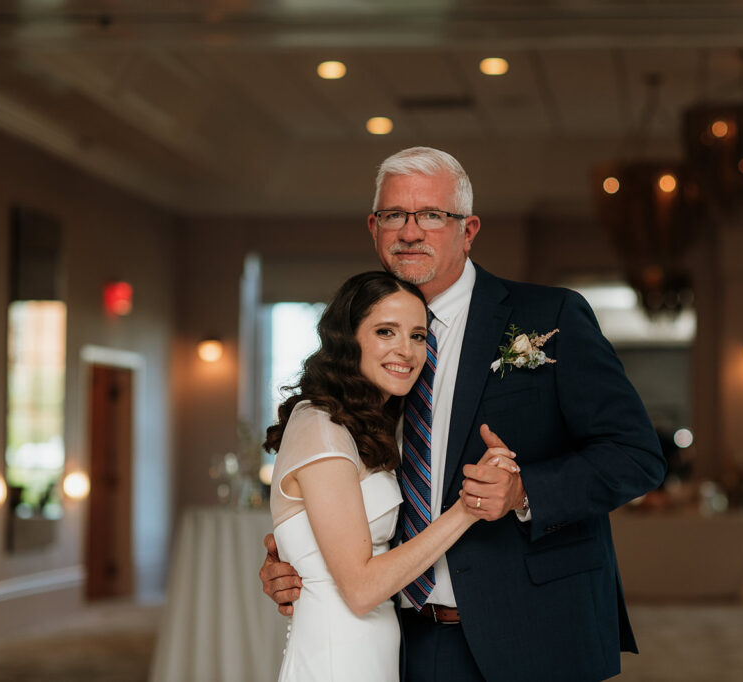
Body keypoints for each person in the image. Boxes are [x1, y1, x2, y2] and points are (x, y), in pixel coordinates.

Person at [260, 147, 666, 682]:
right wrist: (297, 556)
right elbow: (340, 484)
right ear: (373, 228)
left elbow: (636, 457)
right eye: (393, 216)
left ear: (468, 229)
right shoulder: (367, 352)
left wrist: (525, 492)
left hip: (538, 631)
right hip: (407, 637)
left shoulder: (551, 316)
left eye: (431, 215)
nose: (410, 232)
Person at [264, 270, 517, 681]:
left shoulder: (364, 426)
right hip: (336, 660)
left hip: (372, 653)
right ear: (349, 340)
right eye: (386, 331)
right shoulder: (320, 426)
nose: (407, 350)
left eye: (418, 336)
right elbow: (361, 588)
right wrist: (467, 510)